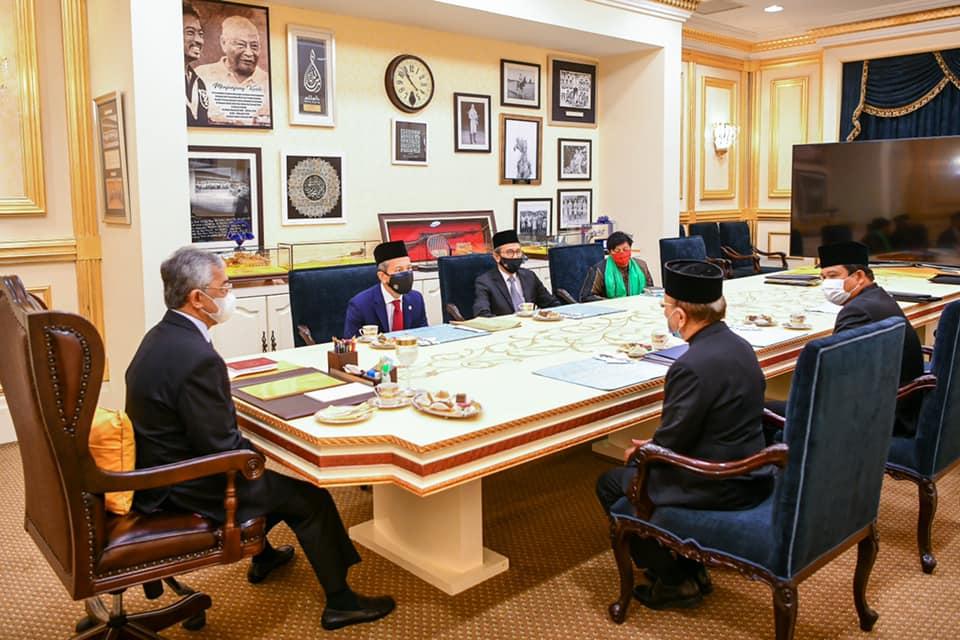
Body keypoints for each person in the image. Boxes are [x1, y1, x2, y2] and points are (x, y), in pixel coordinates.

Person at [126, 247, 394, 631]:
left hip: (159, 471)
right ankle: (341, 602)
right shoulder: (196, 356)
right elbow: (221, 447)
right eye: (224, 287)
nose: (230, 294)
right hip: (188, 485)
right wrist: (268, 455)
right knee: (310, 496)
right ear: (197, 298)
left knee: (278, 482)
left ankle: (264, 556)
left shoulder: (161, 335)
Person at [596, 260, 771, 610]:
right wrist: (654, 444)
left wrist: (644, 452)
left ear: (680, 316)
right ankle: (692, 567)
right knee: (639, 464)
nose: (665, 315)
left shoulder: (690, 366)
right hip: (751, 469)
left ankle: (676, 581)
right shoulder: (739, 345)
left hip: (718, 481)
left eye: (665, 308)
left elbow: (672, 443)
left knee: (613, 483)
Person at [765, 241, 924, 439]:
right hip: (897, 406)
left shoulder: (857, 311)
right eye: (823, 277)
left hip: (876, 419)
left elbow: (833, 376)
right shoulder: (879, 298)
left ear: (859, 276)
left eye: (833, 276)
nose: (827, 284)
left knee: (761, 411)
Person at [194, 15, 270, 125]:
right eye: (241, 45)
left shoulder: (267, 81)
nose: (249, 53)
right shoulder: (202, 75)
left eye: (254, 46)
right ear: (223, 43)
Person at [343, 240, 427, 338]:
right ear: (382, 276)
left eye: (409, 268)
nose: (406, 274)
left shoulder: (416, 299)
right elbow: (351, 342)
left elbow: (423, 335)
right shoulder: (360, 305)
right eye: (399, 270)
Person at [473, 229, 559, 317]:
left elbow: (551, 303)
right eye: (509, 252)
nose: (515, 256)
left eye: (518, 252)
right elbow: (482, 314)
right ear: (497, 257)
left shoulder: (529, 276)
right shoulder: (485, 282)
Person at [579, 231, 655, 302]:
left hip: (638, 307)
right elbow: (587, 296)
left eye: (625, 249)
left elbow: (650, 291)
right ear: (610, 252)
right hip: (610, 309)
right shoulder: (600, 269)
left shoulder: (641, 266)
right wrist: (613, 303)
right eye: (617, 251)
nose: (622, 253)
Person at [182, 2, 208, 126]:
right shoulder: (161, 80)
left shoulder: (200, 83)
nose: (199, 40)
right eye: (190, 32)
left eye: (200, 34)